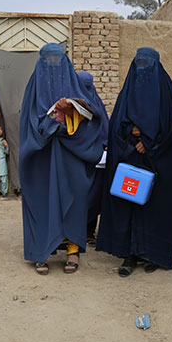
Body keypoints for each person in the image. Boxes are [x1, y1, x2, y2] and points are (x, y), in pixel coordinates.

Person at [96, 47, 172, 277]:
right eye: (139, 65)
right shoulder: (126, 95)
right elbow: (116, 125)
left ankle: (153, 253)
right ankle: (129, 253)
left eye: (148, 65)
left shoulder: (168, 94)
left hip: (159, 162)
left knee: (156, 207)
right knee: (129, 205)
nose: (143, 70)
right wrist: (131, 134)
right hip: (131, 160)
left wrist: (150, 142)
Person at [19, 43, 105, 275]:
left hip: (71, 158)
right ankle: (42, 252)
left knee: (73, 202)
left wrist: (69, 113)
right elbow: (29, 126)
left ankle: (73, 250)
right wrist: (51, 121)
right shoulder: (33, 90)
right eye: (49, 61)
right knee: (42, 202)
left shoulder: (77, 89)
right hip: (42, 159)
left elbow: (93, 123)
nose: (53, 67)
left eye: (58, 61)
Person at [77, 71, 109, 246]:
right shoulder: (74, 105)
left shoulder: (97, 105)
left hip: (98, 159)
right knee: (83, 195)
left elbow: (105, 127)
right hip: (80, 159)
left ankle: (89, 231)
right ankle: (78, 231)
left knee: (95, 196)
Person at [0, 123, 10, 198]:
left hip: (2, 161)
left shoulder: (4, 140)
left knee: (3, 178)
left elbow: (7, 152)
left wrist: (6, 146)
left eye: (0, 129)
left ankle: (4, 192)